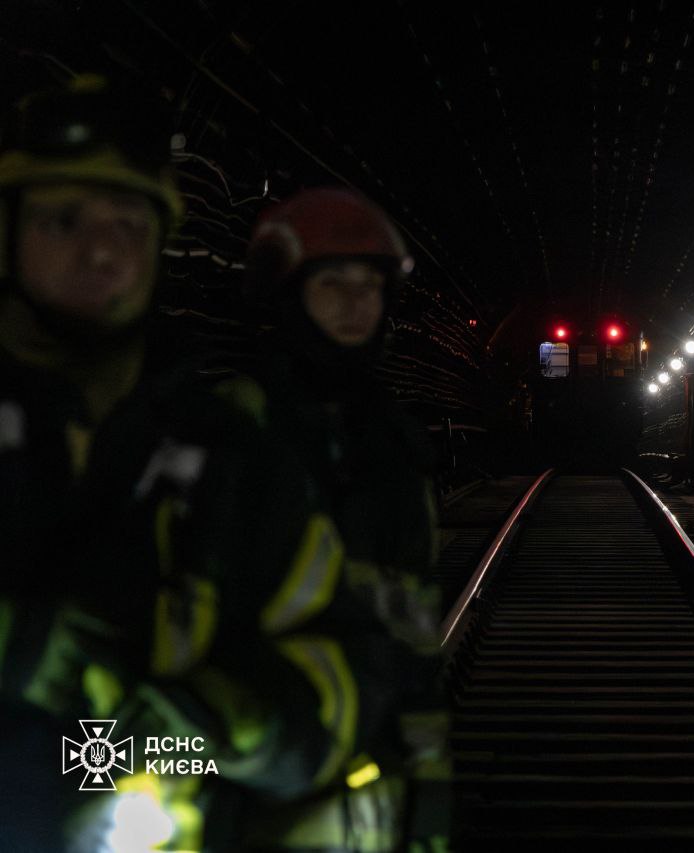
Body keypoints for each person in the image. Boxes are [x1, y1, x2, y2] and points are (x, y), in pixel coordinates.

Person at [0, 75, 369, 851]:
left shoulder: (237, 461)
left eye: (129, 224)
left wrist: (216, 720)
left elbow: (334, 681)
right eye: (64, 220)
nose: (102, 250)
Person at [226, 187, 450, 851]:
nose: (356, 303)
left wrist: (430, 787)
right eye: (332, 284)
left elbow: (416, 626)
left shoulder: (394, 446)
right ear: (286, 294)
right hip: (246, 763)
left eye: (370, 287)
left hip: (359, 775)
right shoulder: (225, 429)